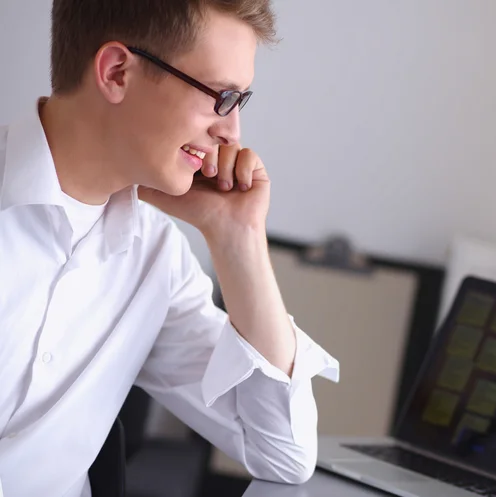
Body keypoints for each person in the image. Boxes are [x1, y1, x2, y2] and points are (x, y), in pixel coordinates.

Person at [0, 0, 340, 495]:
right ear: (117, 72)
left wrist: (237, 238)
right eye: (220, 98)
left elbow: (283, 454)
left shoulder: (156, 261)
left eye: (240, 102)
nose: (232, 132)